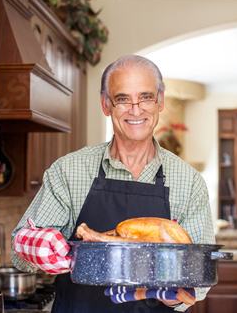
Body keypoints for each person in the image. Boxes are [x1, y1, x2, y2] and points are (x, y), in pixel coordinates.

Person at [11, 54, 215, 312]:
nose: (136, 109)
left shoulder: (189, 182)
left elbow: (199, 278)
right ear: (106, 104)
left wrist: (176, 293)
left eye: (146, 97)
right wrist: (39, 246)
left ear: (160, 101)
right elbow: (19, 254)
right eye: (122, 99)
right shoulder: (69, 170)